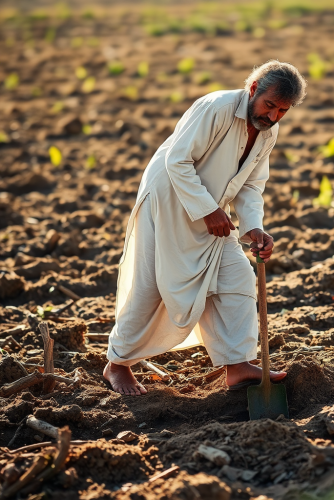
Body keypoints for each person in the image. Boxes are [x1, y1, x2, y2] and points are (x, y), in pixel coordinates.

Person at [104, 60, 307, 395]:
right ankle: (118, 364)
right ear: (253, 89)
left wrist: (253, 227)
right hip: (168, 201)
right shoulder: (217, 107)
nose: (273, 116)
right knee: (150, 286)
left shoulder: (268, 130)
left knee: (238, 276)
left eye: (283, 111)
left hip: (213, 212)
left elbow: (252, 184)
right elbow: (177, 160)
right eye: (270, 105)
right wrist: (207, 209)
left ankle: (238, 364)